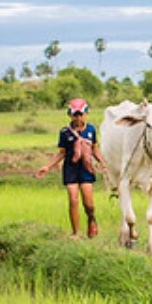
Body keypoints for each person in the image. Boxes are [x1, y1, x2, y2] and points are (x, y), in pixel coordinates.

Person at [35, 97, 108, 238]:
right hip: (70, 169)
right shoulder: (64, 132)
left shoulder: (91, 129)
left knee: (89, 204)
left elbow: (94, 149)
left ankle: (91, 219)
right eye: (75, 115)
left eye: (81, 114)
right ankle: (75, 233)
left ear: (86, 113)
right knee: (73, 200)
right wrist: (47, 167)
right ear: (70, 114)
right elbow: (61, 154)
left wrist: (101, 161)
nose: (78, 118)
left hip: (86, 168)